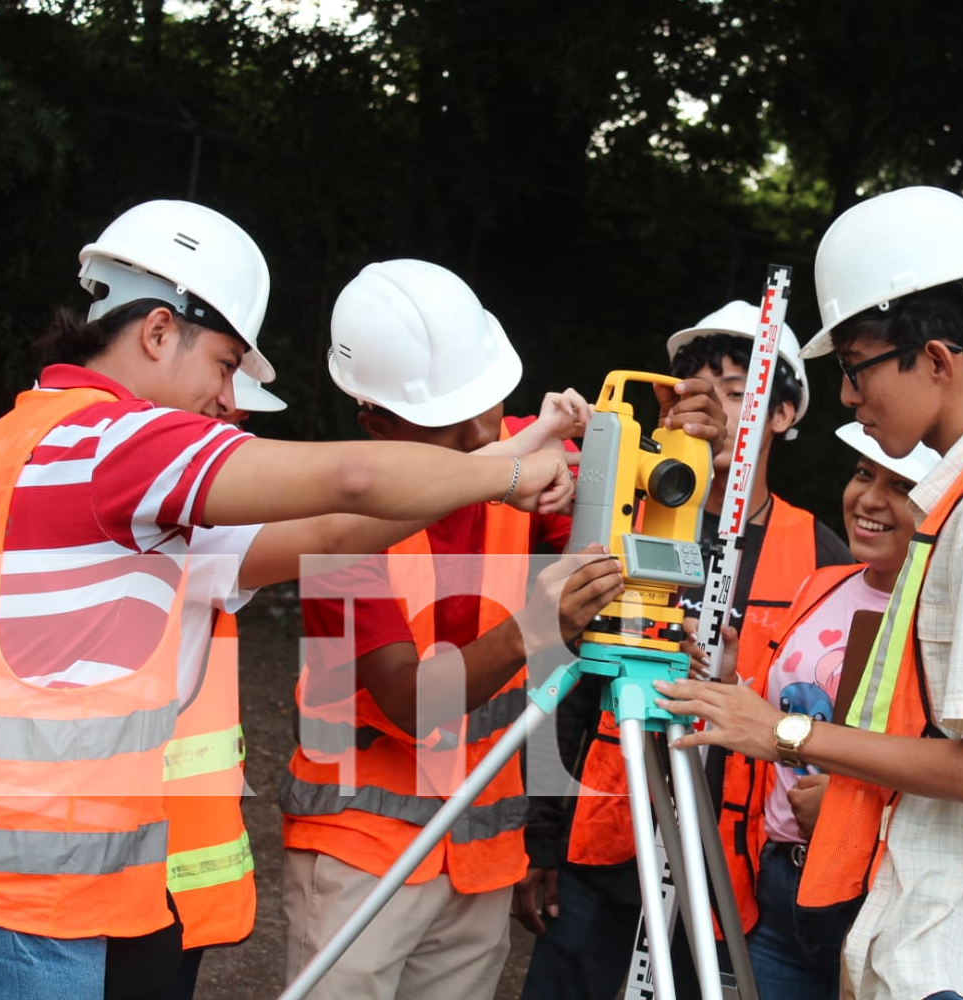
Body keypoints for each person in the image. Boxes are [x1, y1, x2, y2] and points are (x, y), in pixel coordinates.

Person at [0, 199, 575, 1000]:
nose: (225, 399)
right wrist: (509, 475)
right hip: (33, 905)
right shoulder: (122, 443)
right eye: (223, 363)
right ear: (158, 332)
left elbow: (336, 531)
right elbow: (351, 481)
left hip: (3, 885)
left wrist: (510, 453)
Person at [655, 186, 963, 1000]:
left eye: (854, 369)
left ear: (937, 359)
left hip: (961, 951)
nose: (845, 397)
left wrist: (785, 732)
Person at [278, 259, 727, 1000]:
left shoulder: (519, 451)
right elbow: (408, 701)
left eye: (490, 403)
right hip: (362, 856)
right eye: (456, 422)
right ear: (377, 422)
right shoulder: (339, 520)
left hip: (479, 856)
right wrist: (535, 628)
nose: (488, 430)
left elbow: (624, 534)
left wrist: (677, 454)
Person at [514, 301, 852, 999]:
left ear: (784, 415)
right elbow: (563, 683)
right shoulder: (619, 520)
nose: (717, 414)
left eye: (739, 393)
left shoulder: (823, 559)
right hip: (602, 855)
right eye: (698, 393)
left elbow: (832, 717)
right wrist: (543, 838)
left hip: (728, 877)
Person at [698, 421, 939, 1000]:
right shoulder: (824, 583)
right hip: (778, 883)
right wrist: (731, 681)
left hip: (874, 895)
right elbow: (782, 715)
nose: (870, 499)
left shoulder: (943, 613)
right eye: (863, 475)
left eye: (901, 487)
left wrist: (858, 816)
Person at [156, 372, 290, 1000]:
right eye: (231, 428)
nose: (240, 437)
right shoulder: (188, 536)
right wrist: (502, 470)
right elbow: (339, 524)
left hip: (160, 885)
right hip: (139, 890)